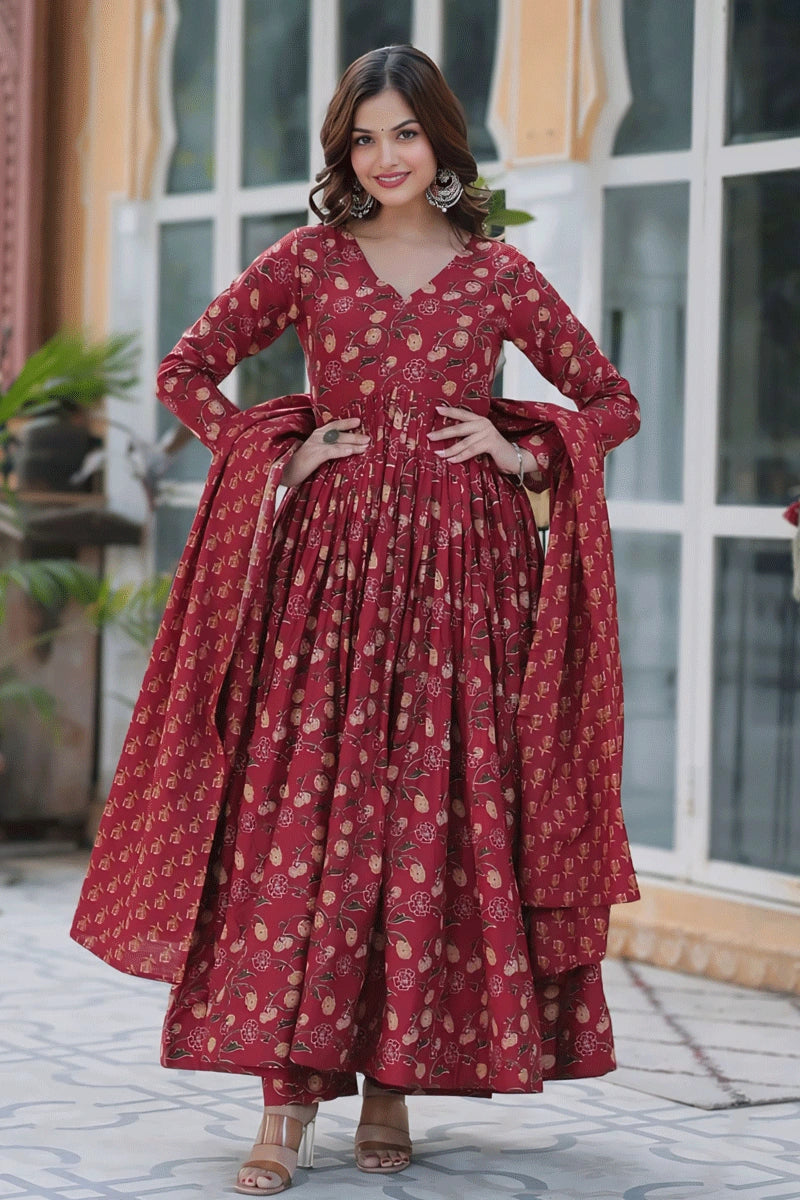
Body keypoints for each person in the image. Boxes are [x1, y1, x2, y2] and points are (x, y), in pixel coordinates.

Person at [71, 44, 641, 1196]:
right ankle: (284, 1104)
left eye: (404, 134)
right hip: (326, 587)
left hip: (467, 586)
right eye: (363, 138)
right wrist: (274, 453)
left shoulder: (496, 273)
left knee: (435, 825)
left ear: (440, 141)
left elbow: (609, 400)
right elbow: (188, 371)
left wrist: (519, 449)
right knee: (307, 816)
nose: (384, 157)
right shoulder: (308, 261)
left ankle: (392, 1085)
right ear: (343, 151)